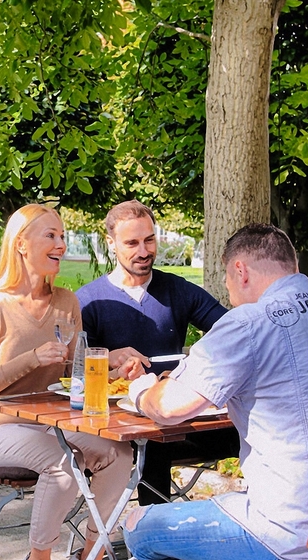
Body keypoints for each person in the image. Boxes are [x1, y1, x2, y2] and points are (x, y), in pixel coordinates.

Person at [122, 223, 308, 560]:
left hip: (295, 543)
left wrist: (141, 391)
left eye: (229, 286)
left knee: (139, 528)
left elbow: (167, 409)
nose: (230, 297)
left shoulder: (250, 322)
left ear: (240, 270)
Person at [0, 204, 133, 560]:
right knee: (64, 465)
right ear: (21, 244)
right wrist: (30, 359)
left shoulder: (66, 302)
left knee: (119, 453)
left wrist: (113, 361)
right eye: (50, 235)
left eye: (62, 235)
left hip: (48, 423)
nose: (61, 243)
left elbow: (74, 371)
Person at [76, 200, 238, 505]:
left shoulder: (178, 290)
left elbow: (232, 330)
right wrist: (114, 370)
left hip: (175, 418)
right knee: (155, 441)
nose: (144, 251)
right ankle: (153, 535)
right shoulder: (88, 301)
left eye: (149, 240)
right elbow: (74, 372)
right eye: (132, 243)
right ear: (111, 243)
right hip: (114, 426)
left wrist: (195, 365)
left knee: (249, 427)